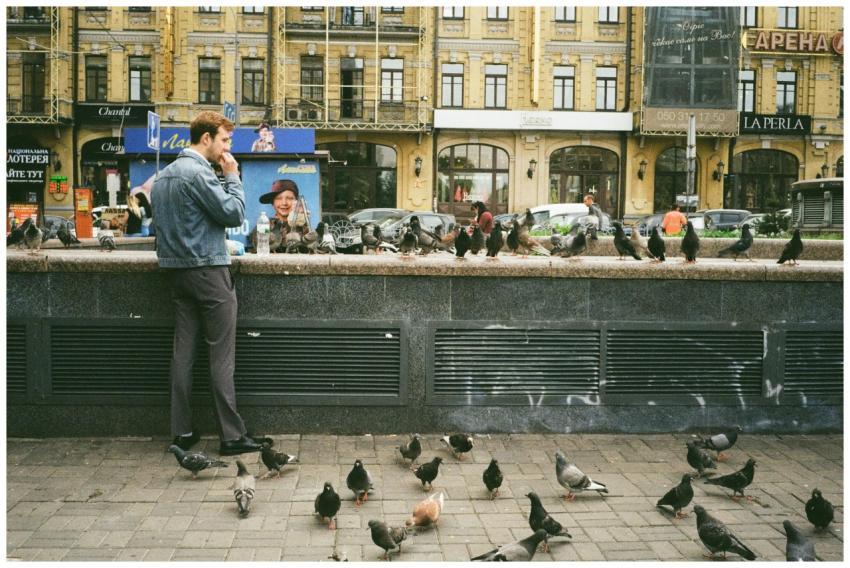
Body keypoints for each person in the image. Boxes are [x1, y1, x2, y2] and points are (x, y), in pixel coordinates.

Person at [151, 110, 269, 456]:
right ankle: (231, 436)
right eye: (225, 140)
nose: (227, 148)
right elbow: (233, 214)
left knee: (182, 354)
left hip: (175, 272)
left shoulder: (163, 177)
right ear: (206, 139)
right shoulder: (198, 173)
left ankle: (182, 432)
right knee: (221, 355)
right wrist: (232, 177)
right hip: (209, 272)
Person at [248, 179, 304, 252]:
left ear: (297, 202)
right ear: (272, 203)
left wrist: (298, 219)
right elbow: (258, 244)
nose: (284, 203)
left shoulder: (304, 226)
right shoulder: (264, 224)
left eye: (289, 198)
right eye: (279, 198)